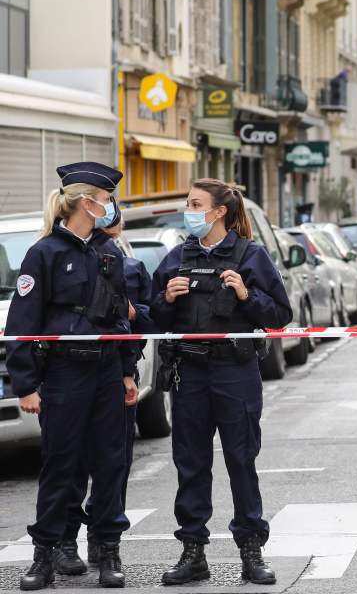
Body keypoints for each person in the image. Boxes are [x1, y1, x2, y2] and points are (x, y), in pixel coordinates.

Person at [149, 179, 293, 586]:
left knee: (241, 460)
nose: (188, 210)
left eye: (196, 204)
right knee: (191, 464)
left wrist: (247, 295)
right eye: (188, 203)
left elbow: (280, 315)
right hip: (189, 373)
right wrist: (168, 299)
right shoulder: (178, 257)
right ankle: (193, 552)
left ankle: (251, 552)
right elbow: (151, 317)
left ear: (219, 212)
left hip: (235, 372)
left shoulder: (251, 255)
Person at [6, 162, 136, 590]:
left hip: (105, 371)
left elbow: (120, 320)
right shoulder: (44, 253)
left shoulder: (107, 252)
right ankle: (46, 554)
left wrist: (127, 372)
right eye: (106, 198)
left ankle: (108, 549)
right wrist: (24, 384)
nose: (110, 206)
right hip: (63, 372)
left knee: (110, 461)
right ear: (88, 202)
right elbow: (21, 324)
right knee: (61, 465)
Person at [55, 213, 152, 577]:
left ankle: (104, 541)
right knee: (71, 462)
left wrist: (128, 370)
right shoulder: (56, 257)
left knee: (114, 465)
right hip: (70, 374)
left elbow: (140, 322)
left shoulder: (130, 266)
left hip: (115, 372)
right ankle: (65, 540)